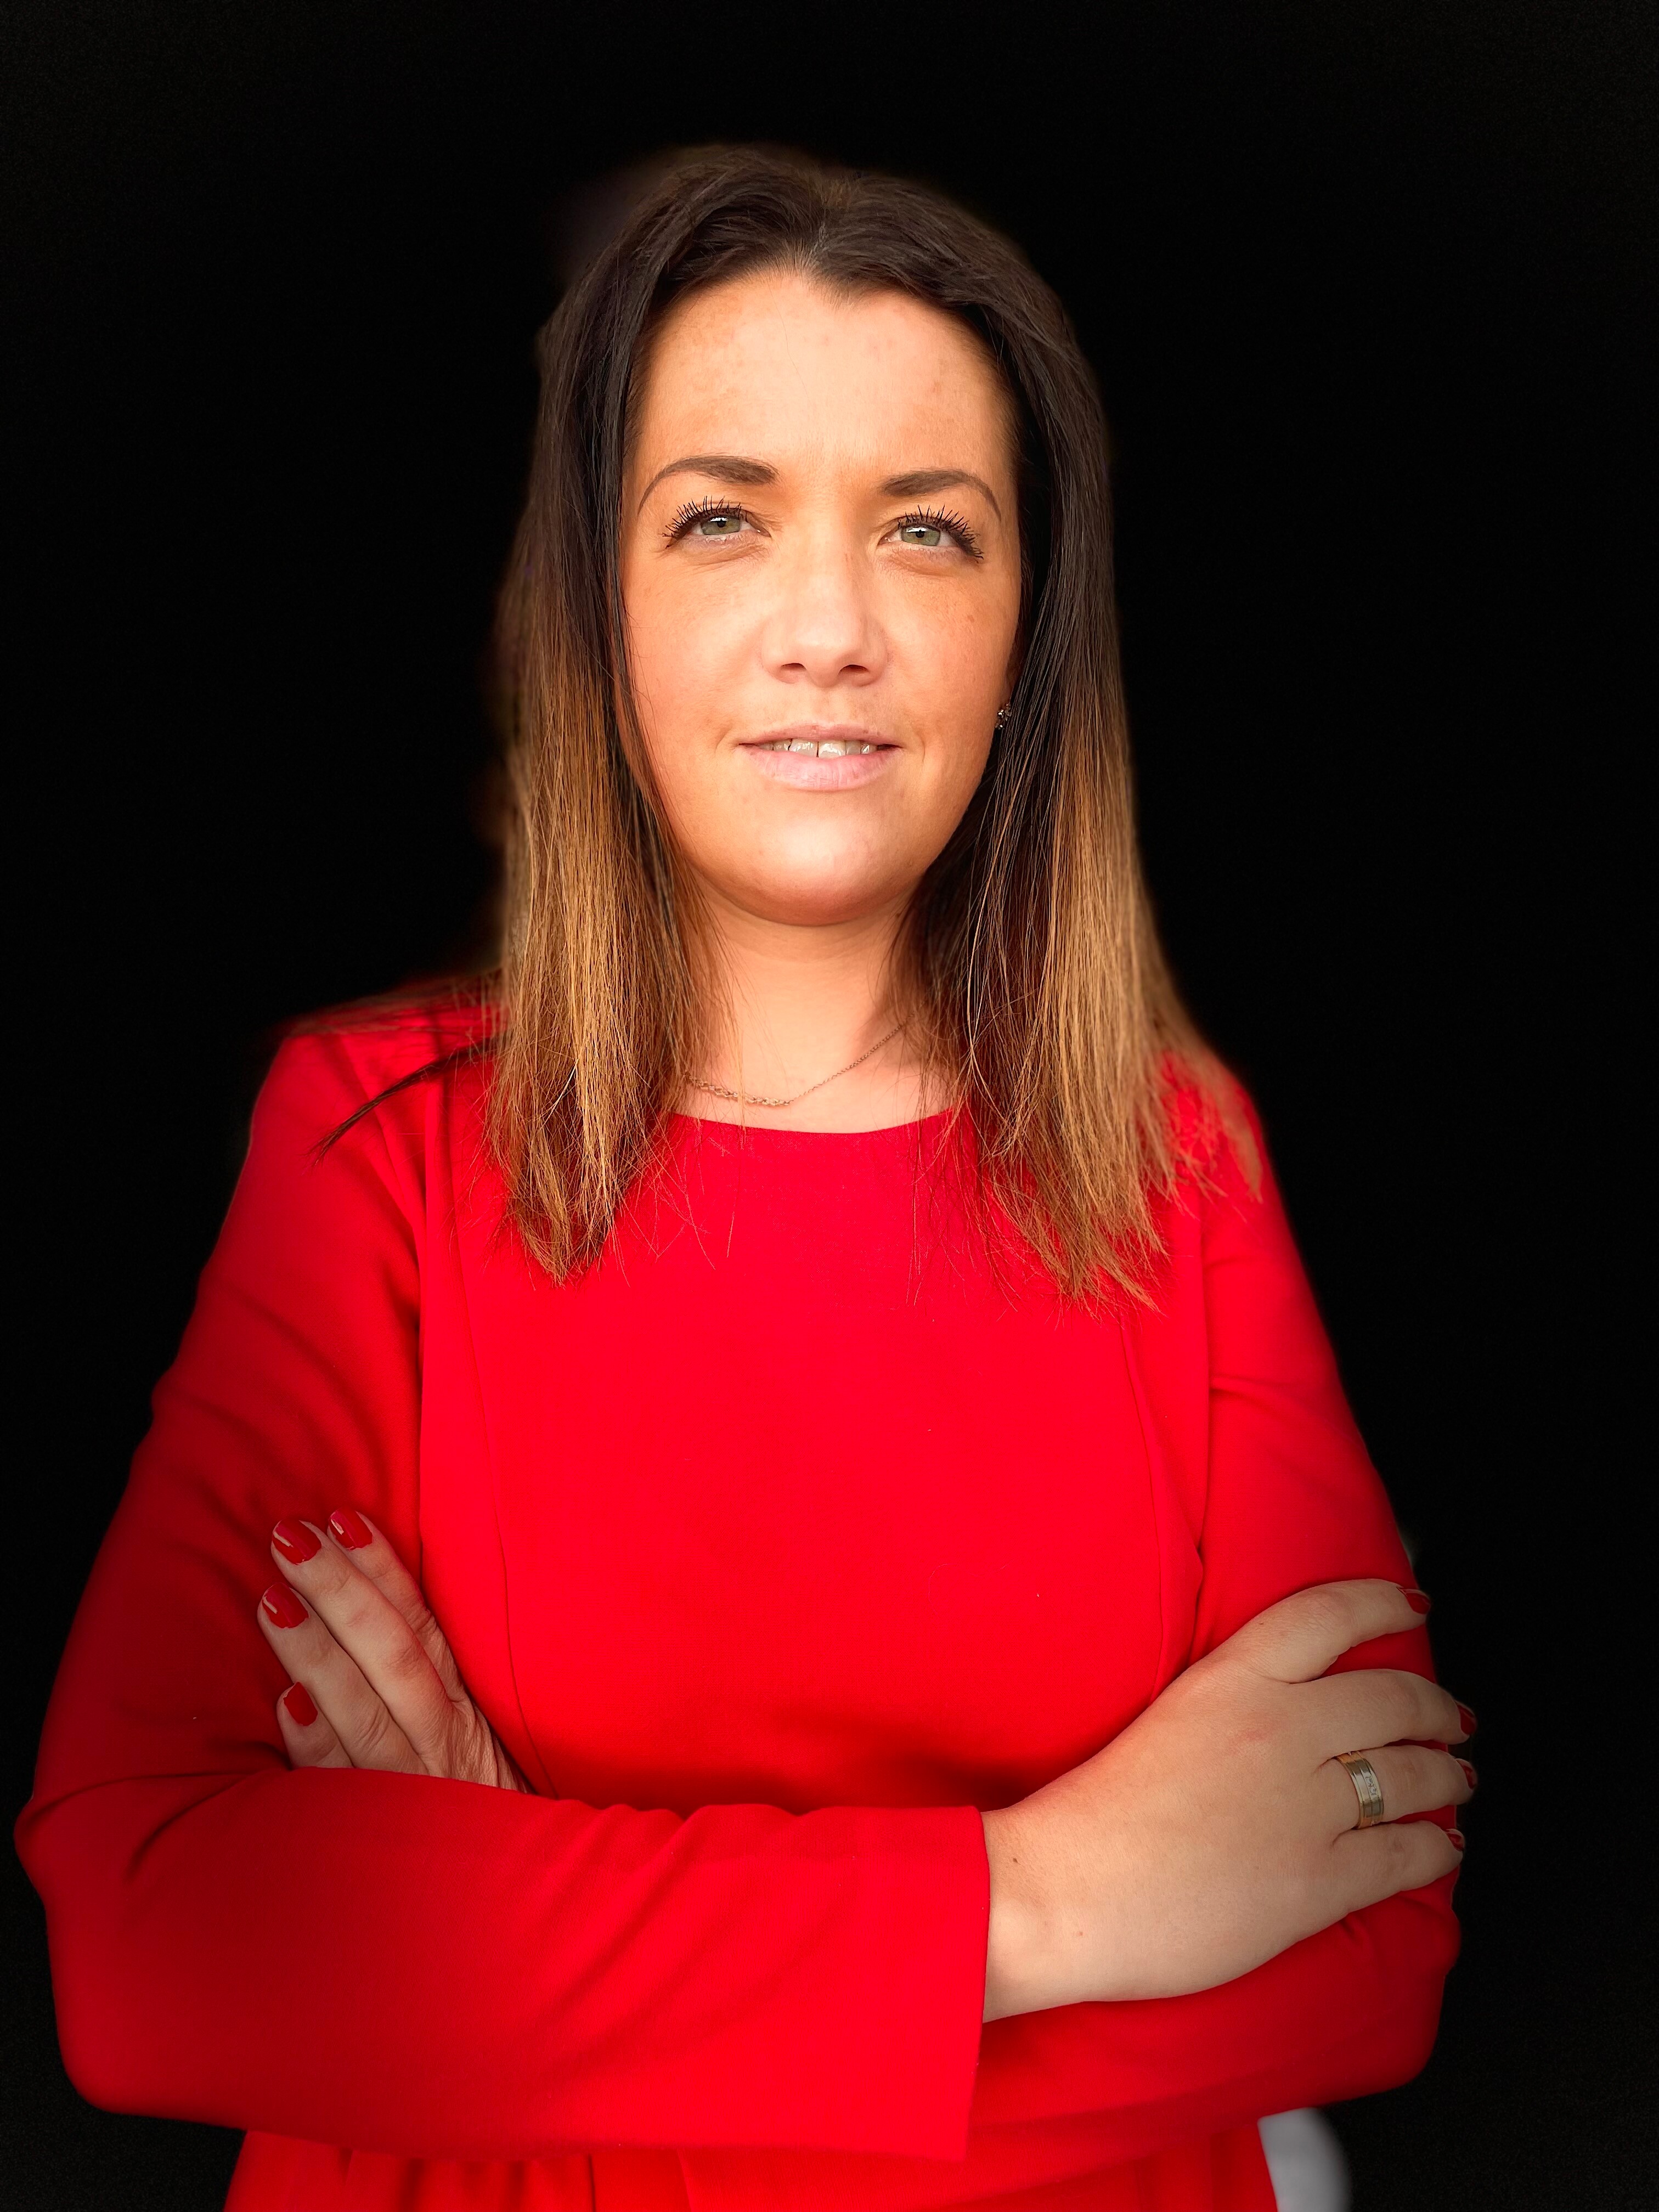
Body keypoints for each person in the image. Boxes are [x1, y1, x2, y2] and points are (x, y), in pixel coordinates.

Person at [14, 145, 1474, 2212]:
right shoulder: (373, 1147)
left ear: (1025, 636)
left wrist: (506, 1947)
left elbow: (1367, 1950)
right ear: (595, 607)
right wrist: (1059, 1901)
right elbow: (162, 1947)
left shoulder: (1178, 1161)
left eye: (928, 532)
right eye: (722, 518)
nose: (831, 631)